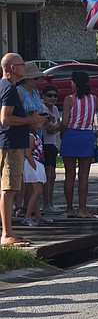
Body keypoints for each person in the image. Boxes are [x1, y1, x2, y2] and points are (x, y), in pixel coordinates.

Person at [0, 53, 45, 246]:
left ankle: (8, 232)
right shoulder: (9, 88)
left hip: (8, 143)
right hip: (11, 144)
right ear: (11, 68)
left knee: (7, 189)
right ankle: (7, 234)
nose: (24, 68)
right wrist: (31, 120)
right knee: (8, 190)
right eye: (21, 64)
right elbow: (5, 119)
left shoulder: (5, 87)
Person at [59, 71, 98, 218]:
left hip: (71, 135)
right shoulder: (93, 99)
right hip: (86, 136)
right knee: (83, 176)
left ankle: (70, 209)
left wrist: (63, 133)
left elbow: (64, 122)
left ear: (75, 83)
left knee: (69, 175)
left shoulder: (69, 99)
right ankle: (82, 209)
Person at [21, 129, 50, 226]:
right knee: (38, 192)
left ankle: (38, 215)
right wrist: (35, 167)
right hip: (33, 164)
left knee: (35, 192)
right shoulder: (31, 137)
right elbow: (28, 153)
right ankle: (27, 216)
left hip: (38, 163)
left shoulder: (36, 136)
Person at [40, 84, 61, 213]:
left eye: (55, 95)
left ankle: (51, 203)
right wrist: (57, 126)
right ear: (43, 96)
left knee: (52, 175)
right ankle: (46, 204)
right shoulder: (42, 109)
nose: (52, 98)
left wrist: (57, 126)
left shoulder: (55, 109)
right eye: (49, 95)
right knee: (47, 175)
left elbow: (59, 125)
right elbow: (51, 128)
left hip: (52, 144)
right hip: (44, 144)